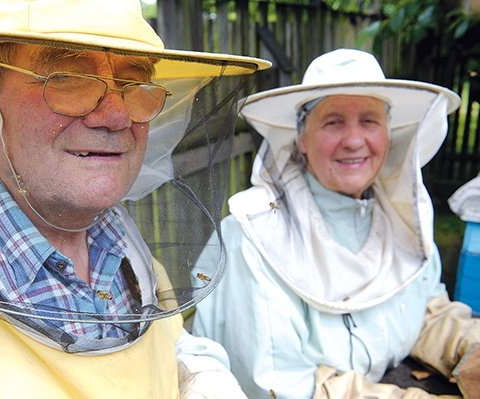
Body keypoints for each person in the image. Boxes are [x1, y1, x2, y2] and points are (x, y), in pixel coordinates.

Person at [0, 0, 271, 398]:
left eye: (135, 83)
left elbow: (161, 355)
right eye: (68, 77)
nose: (117, 116)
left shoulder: (129, 257)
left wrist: (195, 377)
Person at [192, 48, 480, 399]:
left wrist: (470, 346)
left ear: (388, 137)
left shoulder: (403, 222)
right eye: (333, 122)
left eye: (369, 121)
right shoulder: (251, 239)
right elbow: (278, 384)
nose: (355, 140)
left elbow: (425, 309)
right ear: (302, 139)